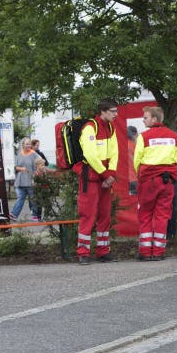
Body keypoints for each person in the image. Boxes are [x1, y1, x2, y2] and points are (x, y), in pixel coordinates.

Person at [74, 98, 119, 265]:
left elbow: (115, 152)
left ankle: (103, 251)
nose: (116, 114)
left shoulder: (110, 127)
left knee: (104, 215)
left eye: (116, 111)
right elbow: (90, 155)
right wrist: (106, 174)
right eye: (113, 111)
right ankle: (83, 252)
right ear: (103, 111)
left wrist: (111, 173)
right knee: (88, 214)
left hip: (105, 177)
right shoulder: (90, 128)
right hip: (92, 178)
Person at [133, 106, 177, 261]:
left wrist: (140, 176)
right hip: (168, 181)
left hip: (149, 180)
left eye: (145, 117)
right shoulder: (174, 137)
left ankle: (145, 252)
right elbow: (176, 158)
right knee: (162, 216)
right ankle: (159, 252)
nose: (143, 119)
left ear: (154, 119)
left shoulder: (143, 137)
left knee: (145, 214)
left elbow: (137, 160)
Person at [9, 138, 40, 222]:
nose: (28, 145)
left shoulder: (34, 154)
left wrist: (37, 171)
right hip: (20, 181)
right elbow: (15, 167)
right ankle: (14, 214)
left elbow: (41, 163)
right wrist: (21, 168)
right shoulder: (19, 155)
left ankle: (35, 215)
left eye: (29, 144)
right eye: (27, 144)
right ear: (23, 145)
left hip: (30, 181)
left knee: (33, 199)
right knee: (20, 199)